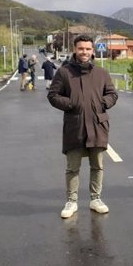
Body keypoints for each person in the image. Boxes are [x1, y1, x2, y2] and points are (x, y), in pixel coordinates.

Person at [48, 35, 118, 218]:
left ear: (93, 50)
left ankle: (96, 198)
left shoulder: (101, 73)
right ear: (75, 49)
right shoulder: (64, 72)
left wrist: (102, 103)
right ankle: (71, 201)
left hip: (97, 125)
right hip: (75, 126)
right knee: (72, 167)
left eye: (88, 49)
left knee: (97, 165)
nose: (84, 52)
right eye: (81, 49)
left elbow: (112, 94)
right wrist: (71, 103)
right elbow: (53, 95)